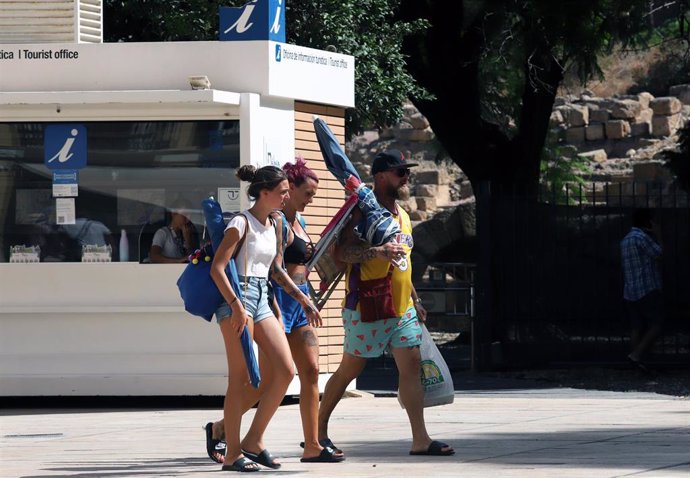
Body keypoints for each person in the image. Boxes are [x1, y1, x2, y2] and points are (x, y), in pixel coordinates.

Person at [205, 158, 344, 464]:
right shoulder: (241, 223)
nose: (286, 196)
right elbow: (217, 268)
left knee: (286, 371)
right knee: (240, 380)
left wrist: (305, 300)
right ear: (264, 192)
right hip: (236, 298)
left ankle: (253, 439)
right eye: (281, 191)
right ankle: (232, 454)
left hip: (262, 299)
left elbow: (277, 271)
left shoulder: (274, 224)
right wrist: (236, 306)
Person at [317, 150, 455, 457]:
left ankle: (420, 439)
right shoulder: (363, 212)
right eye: (400, 172)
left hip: (401, 308)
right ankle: (318, 431)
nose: (406, 177)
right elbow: (341, 254)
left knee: (412, 367)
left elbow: (402, 263)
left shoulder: (402, 215)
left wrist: (416, 299)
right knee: (349, 371)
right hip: (367, 305)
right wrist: (376, 251)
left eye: (407, 172)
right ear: (380, 177)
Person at [620, 208, 664, 372]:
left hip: (630, 290)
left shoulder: (625, 240)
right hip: (647, 287)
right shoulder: (642, 238)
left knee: (636, 326)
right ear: (648, 222)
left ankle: (637, 361)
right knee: (657, 323)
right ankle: (637, 355)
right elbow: (659, 254)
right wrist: (658, 234)